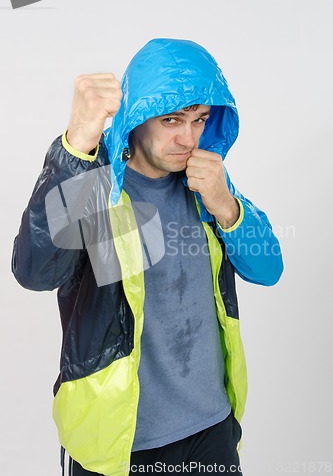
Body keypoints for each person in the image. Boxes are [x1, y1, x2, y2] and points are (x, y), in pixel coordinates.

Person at [12, 38, 283, 476]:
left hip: (211, 431)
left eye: (199, 120)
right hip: (117, 443)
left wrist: (227, 206)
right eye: (172, 120)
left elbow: (269, 268)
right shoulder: (99, 186)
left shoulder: (205, 183)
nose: (187, 138)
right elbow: (37, 272)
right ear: (136, 117)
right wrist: (75, 146)